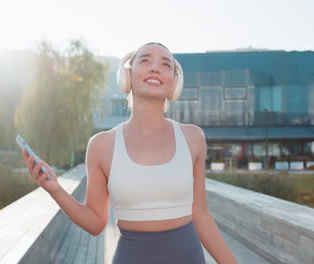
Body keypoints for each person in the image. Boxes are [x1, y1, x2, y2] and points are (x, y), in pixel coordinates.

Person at [23, 42, 238, 263]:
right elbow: (96, 223)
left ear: (175, 83)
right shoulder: (101, 145)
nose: (155, 68)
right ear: (126, 76)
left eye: (165, 65)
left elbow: (200, 213)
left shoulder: (193, 138)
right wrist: (55, 190)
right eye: (145, 60)